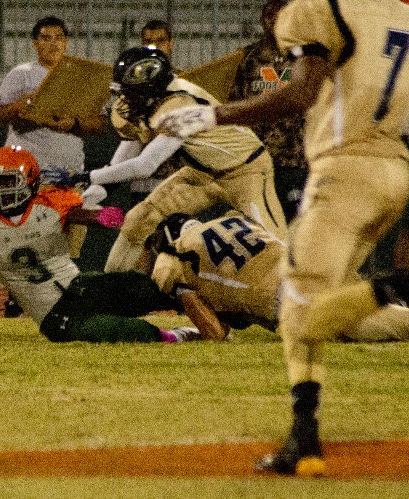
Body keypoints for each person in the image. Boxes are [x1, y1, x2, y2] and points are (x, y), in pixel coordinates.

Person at [156, 0, 409, 476]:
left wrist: (216, 116)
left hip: (345, 170)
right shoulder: (396, 11)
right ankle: (303, 437)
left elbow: (300, 94)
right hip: (394, 167)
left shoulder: (314, 8)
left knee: (298, 312)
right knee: (314, 302)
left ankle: (396, 289)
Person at [0, 146, 202, 344]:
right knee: (116, 331)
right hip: (53, 313)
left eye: (6, 181)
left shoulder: (51, 202)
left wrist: (105, 217)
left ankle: (220, 304)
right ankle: (179, 335)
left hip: (78, 287)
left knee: (140, 287)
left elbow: (85, 214)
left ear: (29, 181)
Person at [42, 46, 288, 274]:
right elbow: (123, 157)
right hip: (203, 174)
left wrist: (85, 176)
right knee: (138, 221)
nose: (125, 101)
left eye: (131, 94)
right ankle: (109, 293)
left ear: (150, 89)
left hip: (247, 172)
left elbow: (144, 165)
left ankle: (299, 301)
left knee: (274, 244)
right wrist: (93, 193)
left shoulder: (179, 104)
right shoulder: (152, 103)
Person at [147, 204, 409, 343]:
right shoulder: (232, 219)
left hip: (295, 298)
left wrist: (182, 298)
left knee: (387, 324)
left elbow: (216, 334)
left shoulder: (174, 256)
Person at [0, 16, 108, 315]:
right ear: (34, 42)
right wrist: (20, 106)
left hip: (69, 171)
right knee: (31, 240)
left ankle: (57, 300)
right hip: (29, 172)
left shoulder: (80, 76)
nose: (52, 43)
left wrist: (74, 123)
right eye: (45, 37)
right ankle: (18, 301)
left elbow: (99, 124)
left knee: (67, 244)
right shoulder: (22, 74)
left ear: (66, 41)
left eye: (58, 37)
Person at [228, 0, 307, 223]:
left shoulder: (304, 58)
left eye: (280, 16)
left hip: (293, 159)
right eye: (269, 17)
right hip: (254, 159)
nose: (274, 22)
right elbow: (235, 103)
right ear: (262, 21)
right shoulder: (246, 57)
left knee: (294, 223)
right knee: (256, 224)